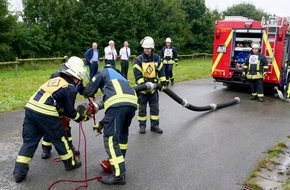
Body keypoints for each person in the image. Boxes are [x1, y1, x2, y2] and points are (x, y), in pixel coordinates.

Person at [13, 56, 89, 183]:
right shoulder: (70, 88)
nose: (79, 82)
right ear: (75, 77)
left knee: (29, 142)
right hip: (46, 113)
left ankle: (19, 173)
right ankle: (70, 163)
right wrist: (80, 117)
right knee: (60, 138)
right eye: (79, 79)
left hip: (30, 109)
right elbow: (70, 111)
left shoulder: (57, 78)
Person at [83, 64, 137, 185]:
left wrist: (82, 88)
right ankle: (118, 163)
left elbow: (88, 91)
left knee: (111, 139)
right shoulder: (120, 76)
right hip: (131, 103)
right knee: (122, 135)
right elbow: (114, 114)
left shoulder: (103, 72)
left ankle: (119, 175)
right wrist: (102, 123)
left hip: (117, 104)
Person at [41, 56, 85, 159]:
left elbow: (81, 89)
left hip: (68, 104)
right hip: (55, 106)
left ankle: (70, 147)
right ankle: (46, 149)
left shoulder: (77, 76)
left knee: (66, 126)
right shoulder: (56, 75)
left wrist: (88, 93)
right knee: (50, 128)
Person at [133, 36, 167, 134]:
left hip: (154, 89)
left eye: (148, 48)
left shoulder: (157, 58)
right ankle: (142, 126)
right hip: (142, 90)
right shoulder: (139, 59)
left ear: (151, 48)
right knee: (142, 110)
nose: (146, 50)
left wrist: (163, 81)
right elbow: (137, 73)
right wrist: (143, 85)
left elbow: (161, 71)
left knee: (155, 108)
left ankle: (155, 126)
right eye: (145, 48)